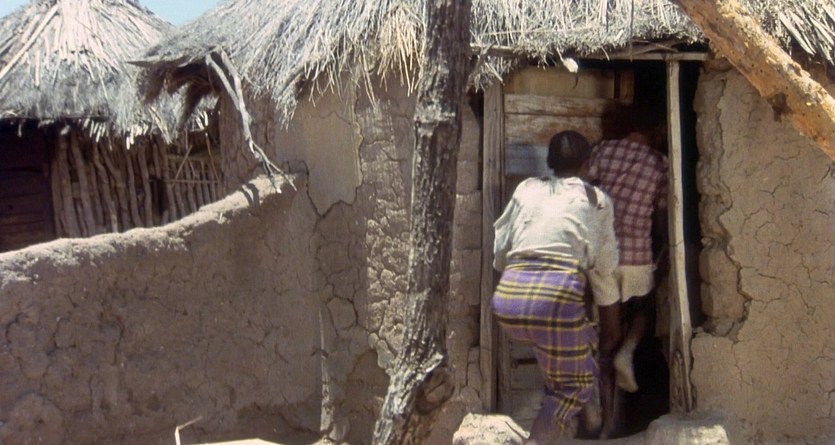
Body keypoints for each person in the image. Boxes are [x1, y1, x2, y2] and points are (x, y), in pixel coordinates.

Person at [492, 130, 622, 444]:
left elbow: (501, 251)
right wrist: (611, 324)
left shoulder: (527, 189)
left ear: (550, 162)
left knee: (564, 343)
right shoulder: (596, 200)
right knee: (574, 387)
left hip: (508, 300)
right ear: (589, 164)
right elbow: (605, 270)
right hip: (555, 300)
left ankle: (568, 401)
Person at [586, 117, 669, 396]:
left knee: (607, 335)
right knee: (645, 308)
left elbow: (586, 190)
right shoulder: (661, 164)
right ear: (656, 132)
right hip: (637, 256)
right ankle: (628, 349)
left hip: (602, 254)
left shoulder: (604, 149)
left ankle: (603, 409)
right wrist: (662, 249)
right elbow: (661, 217)